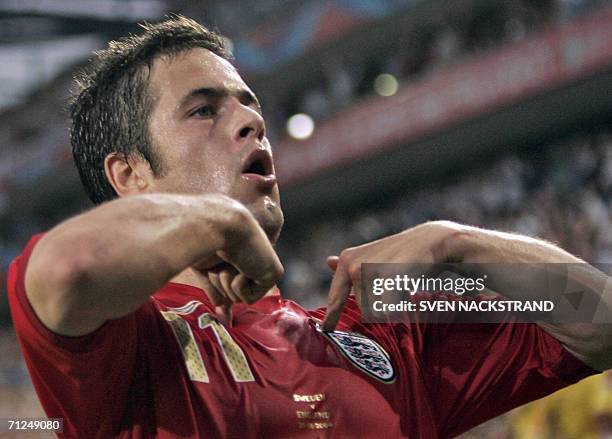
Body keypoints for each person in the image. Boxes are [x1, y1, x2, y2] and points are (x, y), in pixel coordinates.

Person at [6, 15, 612, 438]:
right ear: (130, 175)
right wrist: (219, 221)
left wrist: (458, 242)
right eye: (204, 110)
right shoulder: (127, 350)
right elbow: (65, 269)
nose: (250, 122)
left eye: (250, 104)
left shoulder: (376, 334)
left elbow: (600, 324)